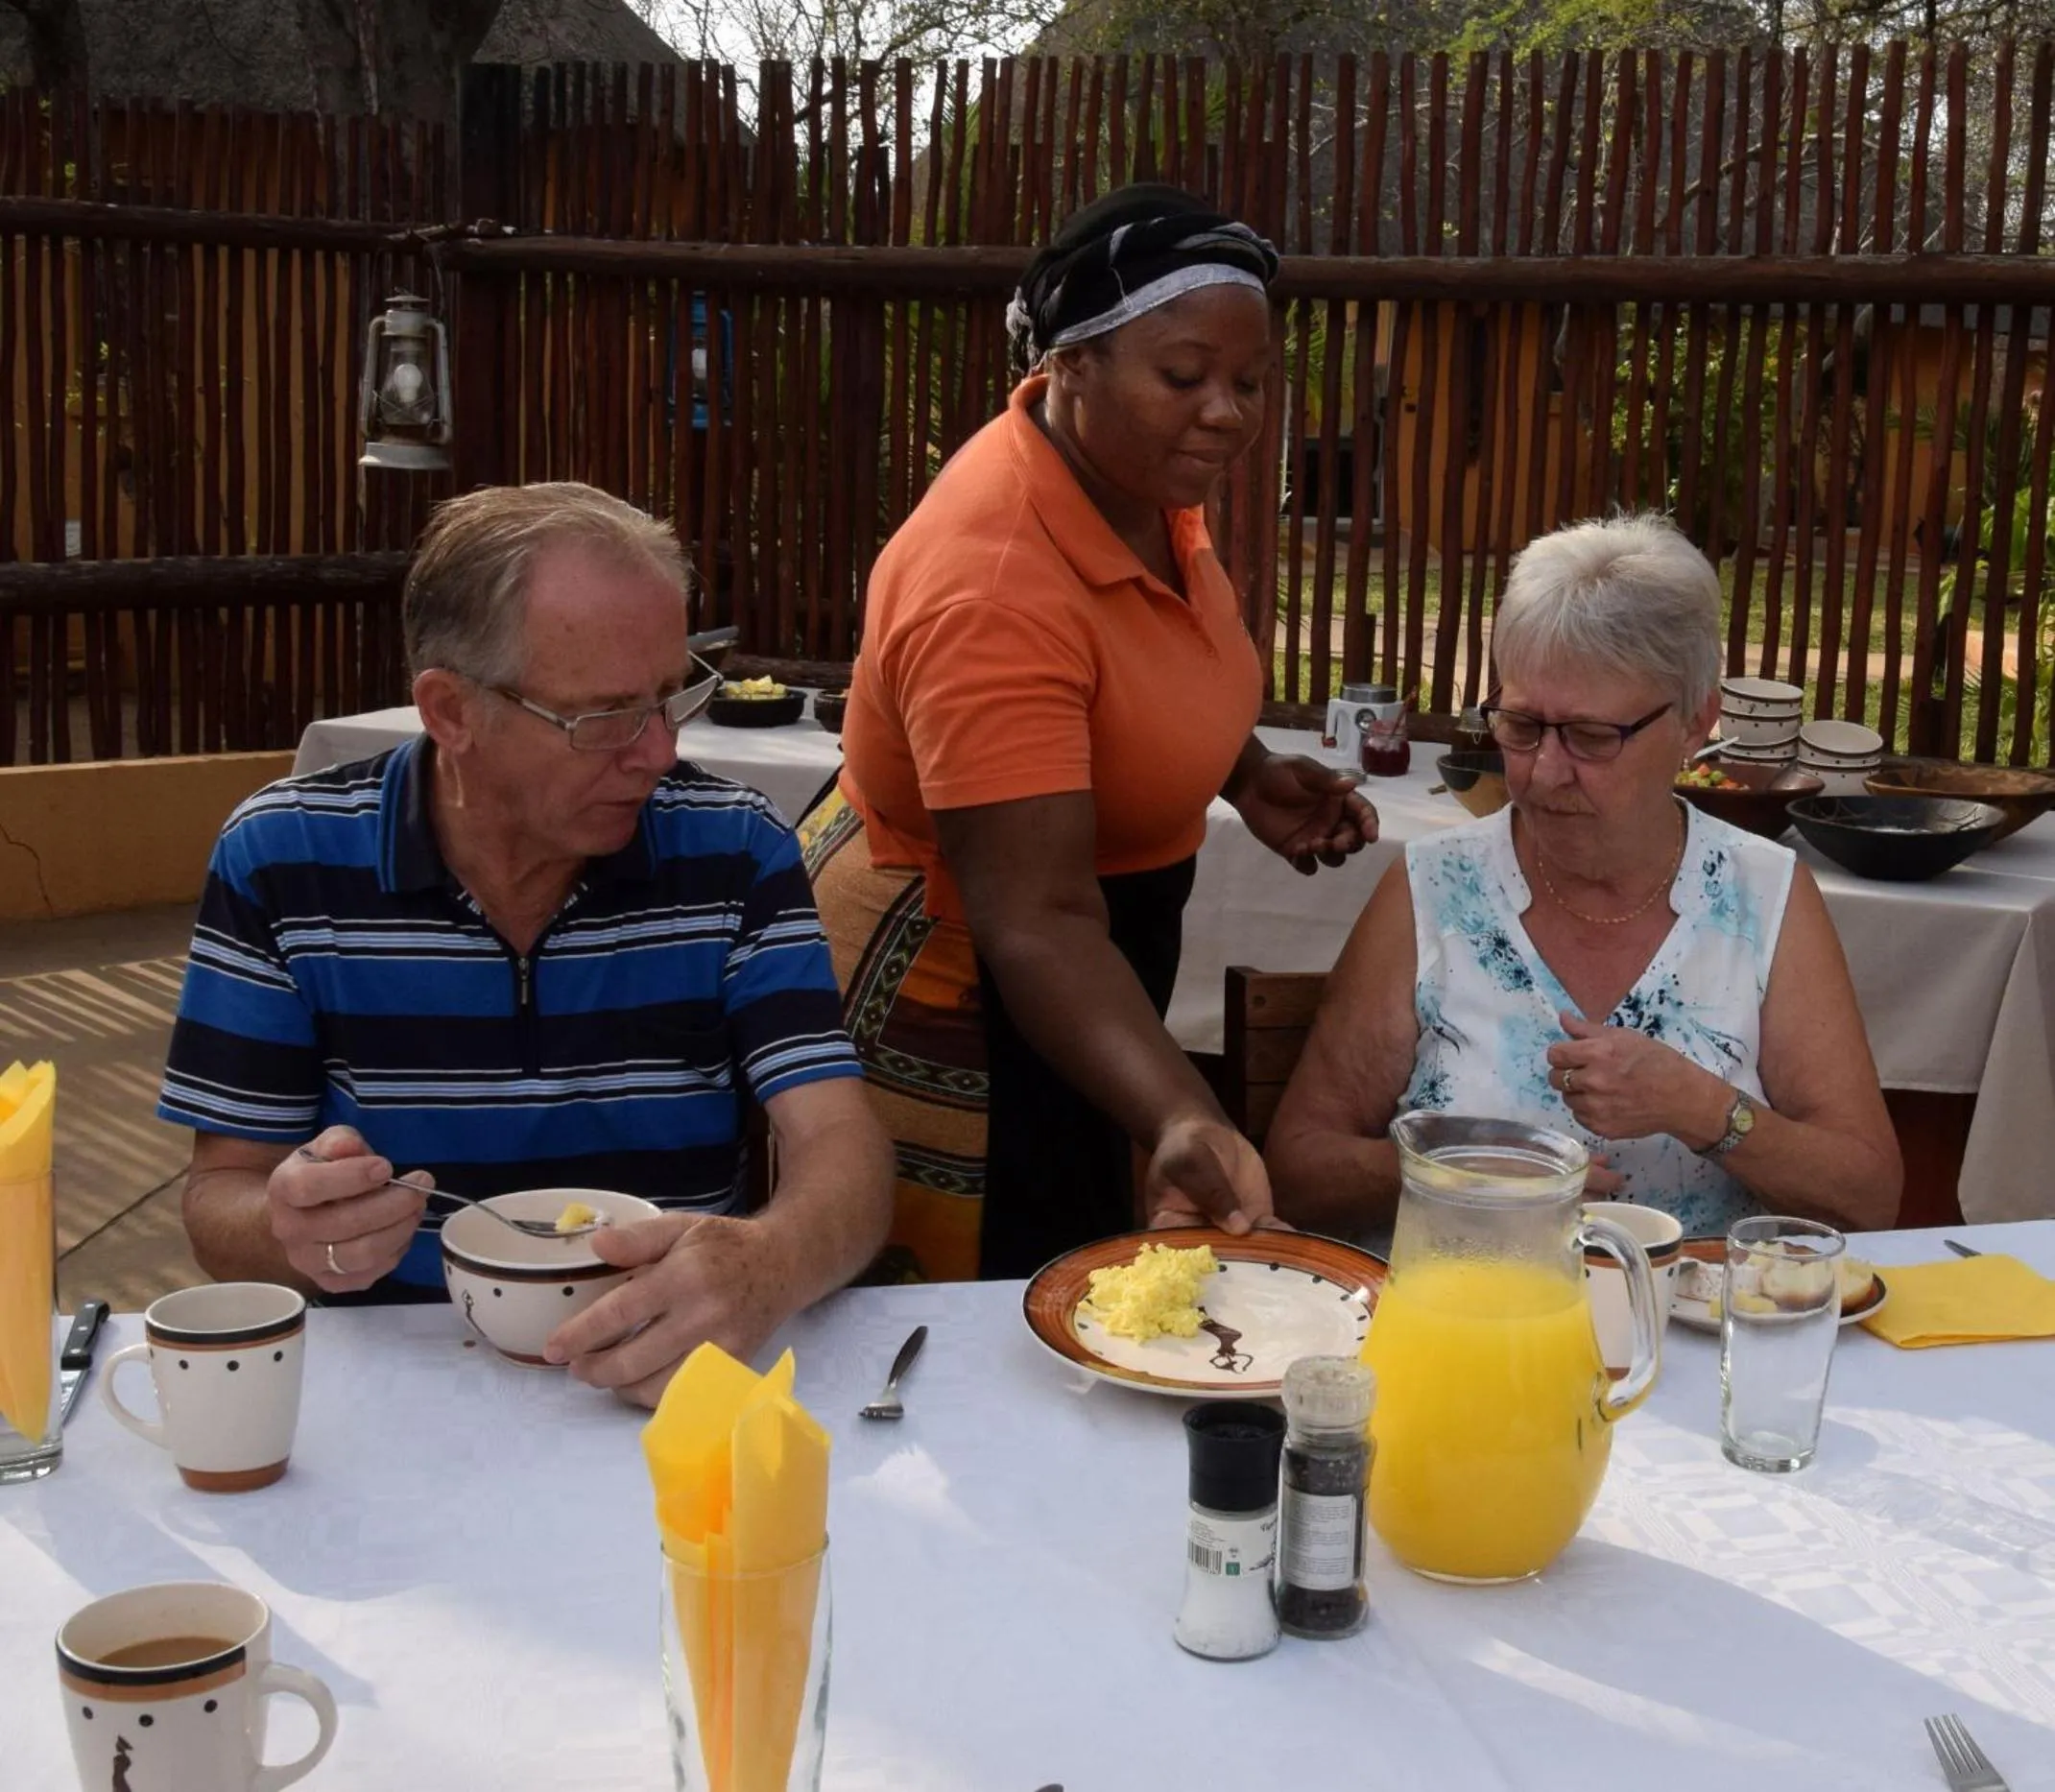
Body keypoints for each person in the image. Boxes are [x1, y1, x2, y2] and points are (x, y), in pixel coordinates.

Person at [160, 482, 894, 1406]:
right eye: (604, 718)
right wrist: (290, 1229)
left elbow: (841, 1144)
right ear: (450, 711)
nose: (659, 753)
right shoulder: (285, 857)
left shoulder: (732, 846)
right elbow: (222, 1188)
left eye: (672, 697)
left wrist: (772, 1260)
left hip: (673, 1377)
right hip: (403, 1384)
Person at [803, 183, 1377, 1282]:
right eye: (1183, 377)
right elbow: (1036, 915)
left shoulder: (1133, 478)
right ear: (1069, 365)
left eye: (1248, 381)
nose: (1226, 412)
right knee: (999, 1297)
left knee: (1088, 1257)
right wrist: (1180, 1108)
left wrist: (1239, 767)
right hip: (975, 981)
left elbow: (1131, 663)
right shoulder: (992, 583)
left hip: (1078, 963)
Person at [1266, 514, 1901, 1238]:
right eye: (1521, 725)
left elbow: (1867, 1195)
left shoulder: (1759, 894)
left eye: (1592, 737)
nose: (1543, 772)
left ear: (1696, 723)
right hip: (1468, 1333)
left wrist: (1703, 1110)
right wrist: (1462, 1173)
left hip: (1698, 1336)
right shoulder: (1438, 888)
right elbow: (1299, 1170)